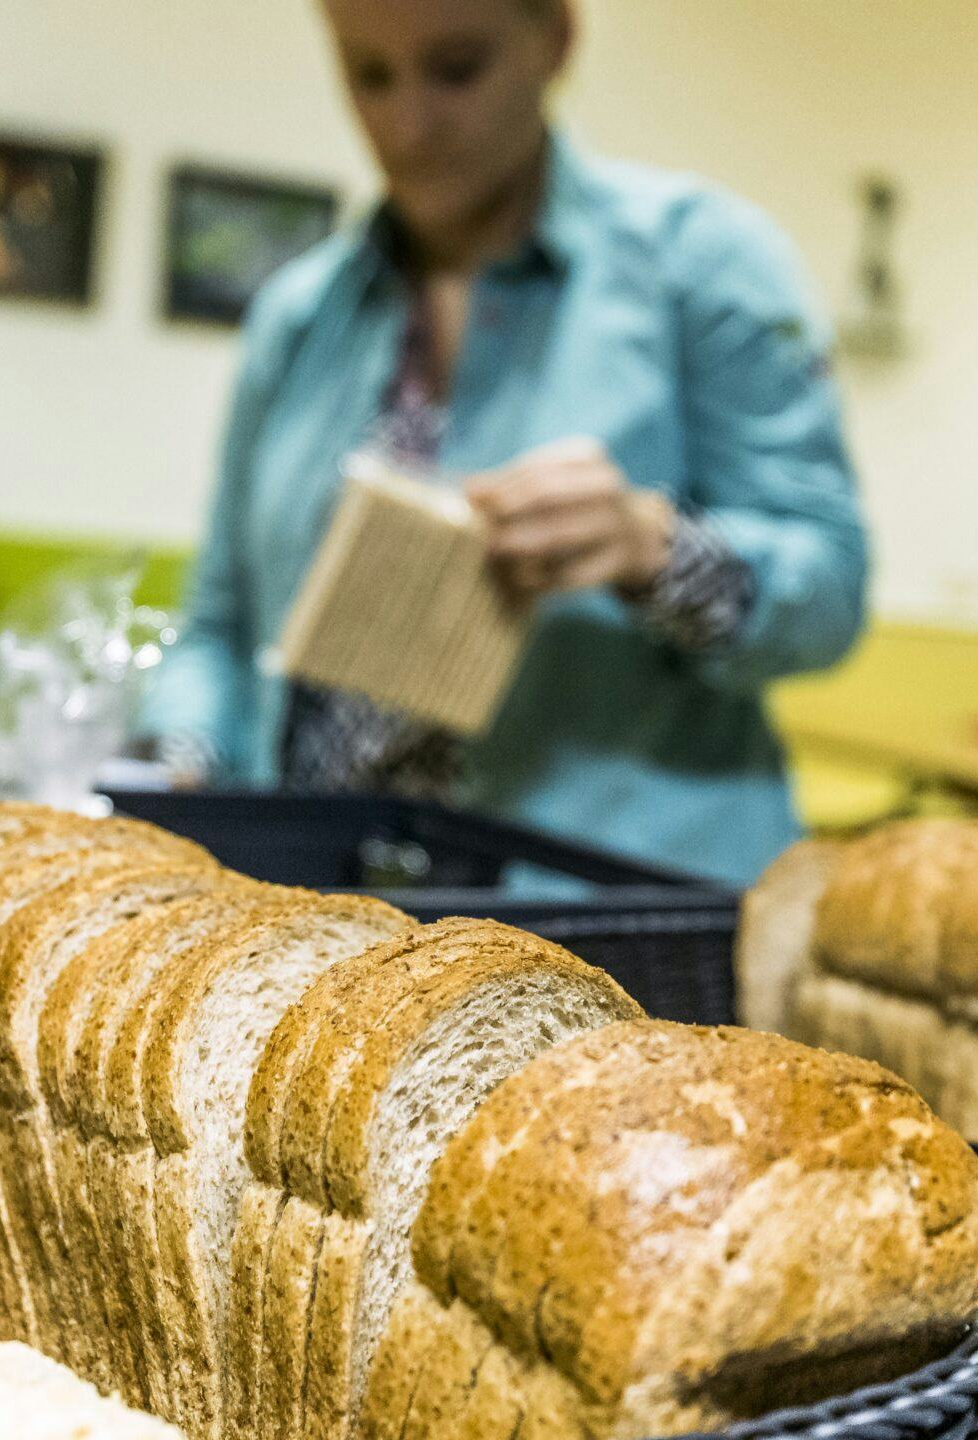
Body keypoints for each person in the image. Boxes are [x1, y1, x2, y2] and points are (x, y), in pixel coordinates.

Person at [138, 0, 868, 886]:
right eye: (370, 75)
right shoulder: (299, 319)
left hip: (613, 918)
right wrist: (180, 761)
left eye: (456, 69)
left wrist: (651, 546)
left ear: (555, 41)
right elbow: (219, 626)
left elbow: (831, 586)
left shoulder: (698, 266)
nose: (408, 124)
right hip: (331, 922)